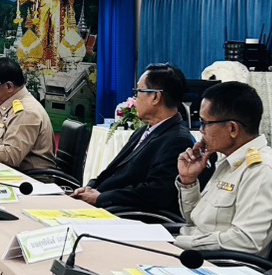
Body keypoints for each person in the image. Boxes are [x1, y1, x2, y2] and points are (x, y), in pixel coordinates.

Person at [172, 80, 272, 255]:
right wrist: (188, 181)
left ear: (232, 128)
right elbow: (195, 220)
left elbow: (246, 240)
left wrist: (179, 242)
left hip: (219, 264)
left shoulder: (260, 170)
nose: (201, 131)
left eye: (205, 123)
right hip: (196, 252)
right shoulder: (229, 162)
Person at [71, 63, 192, 215]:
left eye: (138, 92)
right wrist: (90, 187)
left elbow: (156, 193)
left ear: (155, 97)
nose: (135, 98)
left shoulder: (177, 140)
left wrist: (101, 198)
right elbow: (115, 171)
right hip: (107, 206)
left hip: (127, 215)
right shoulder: (143, 131)